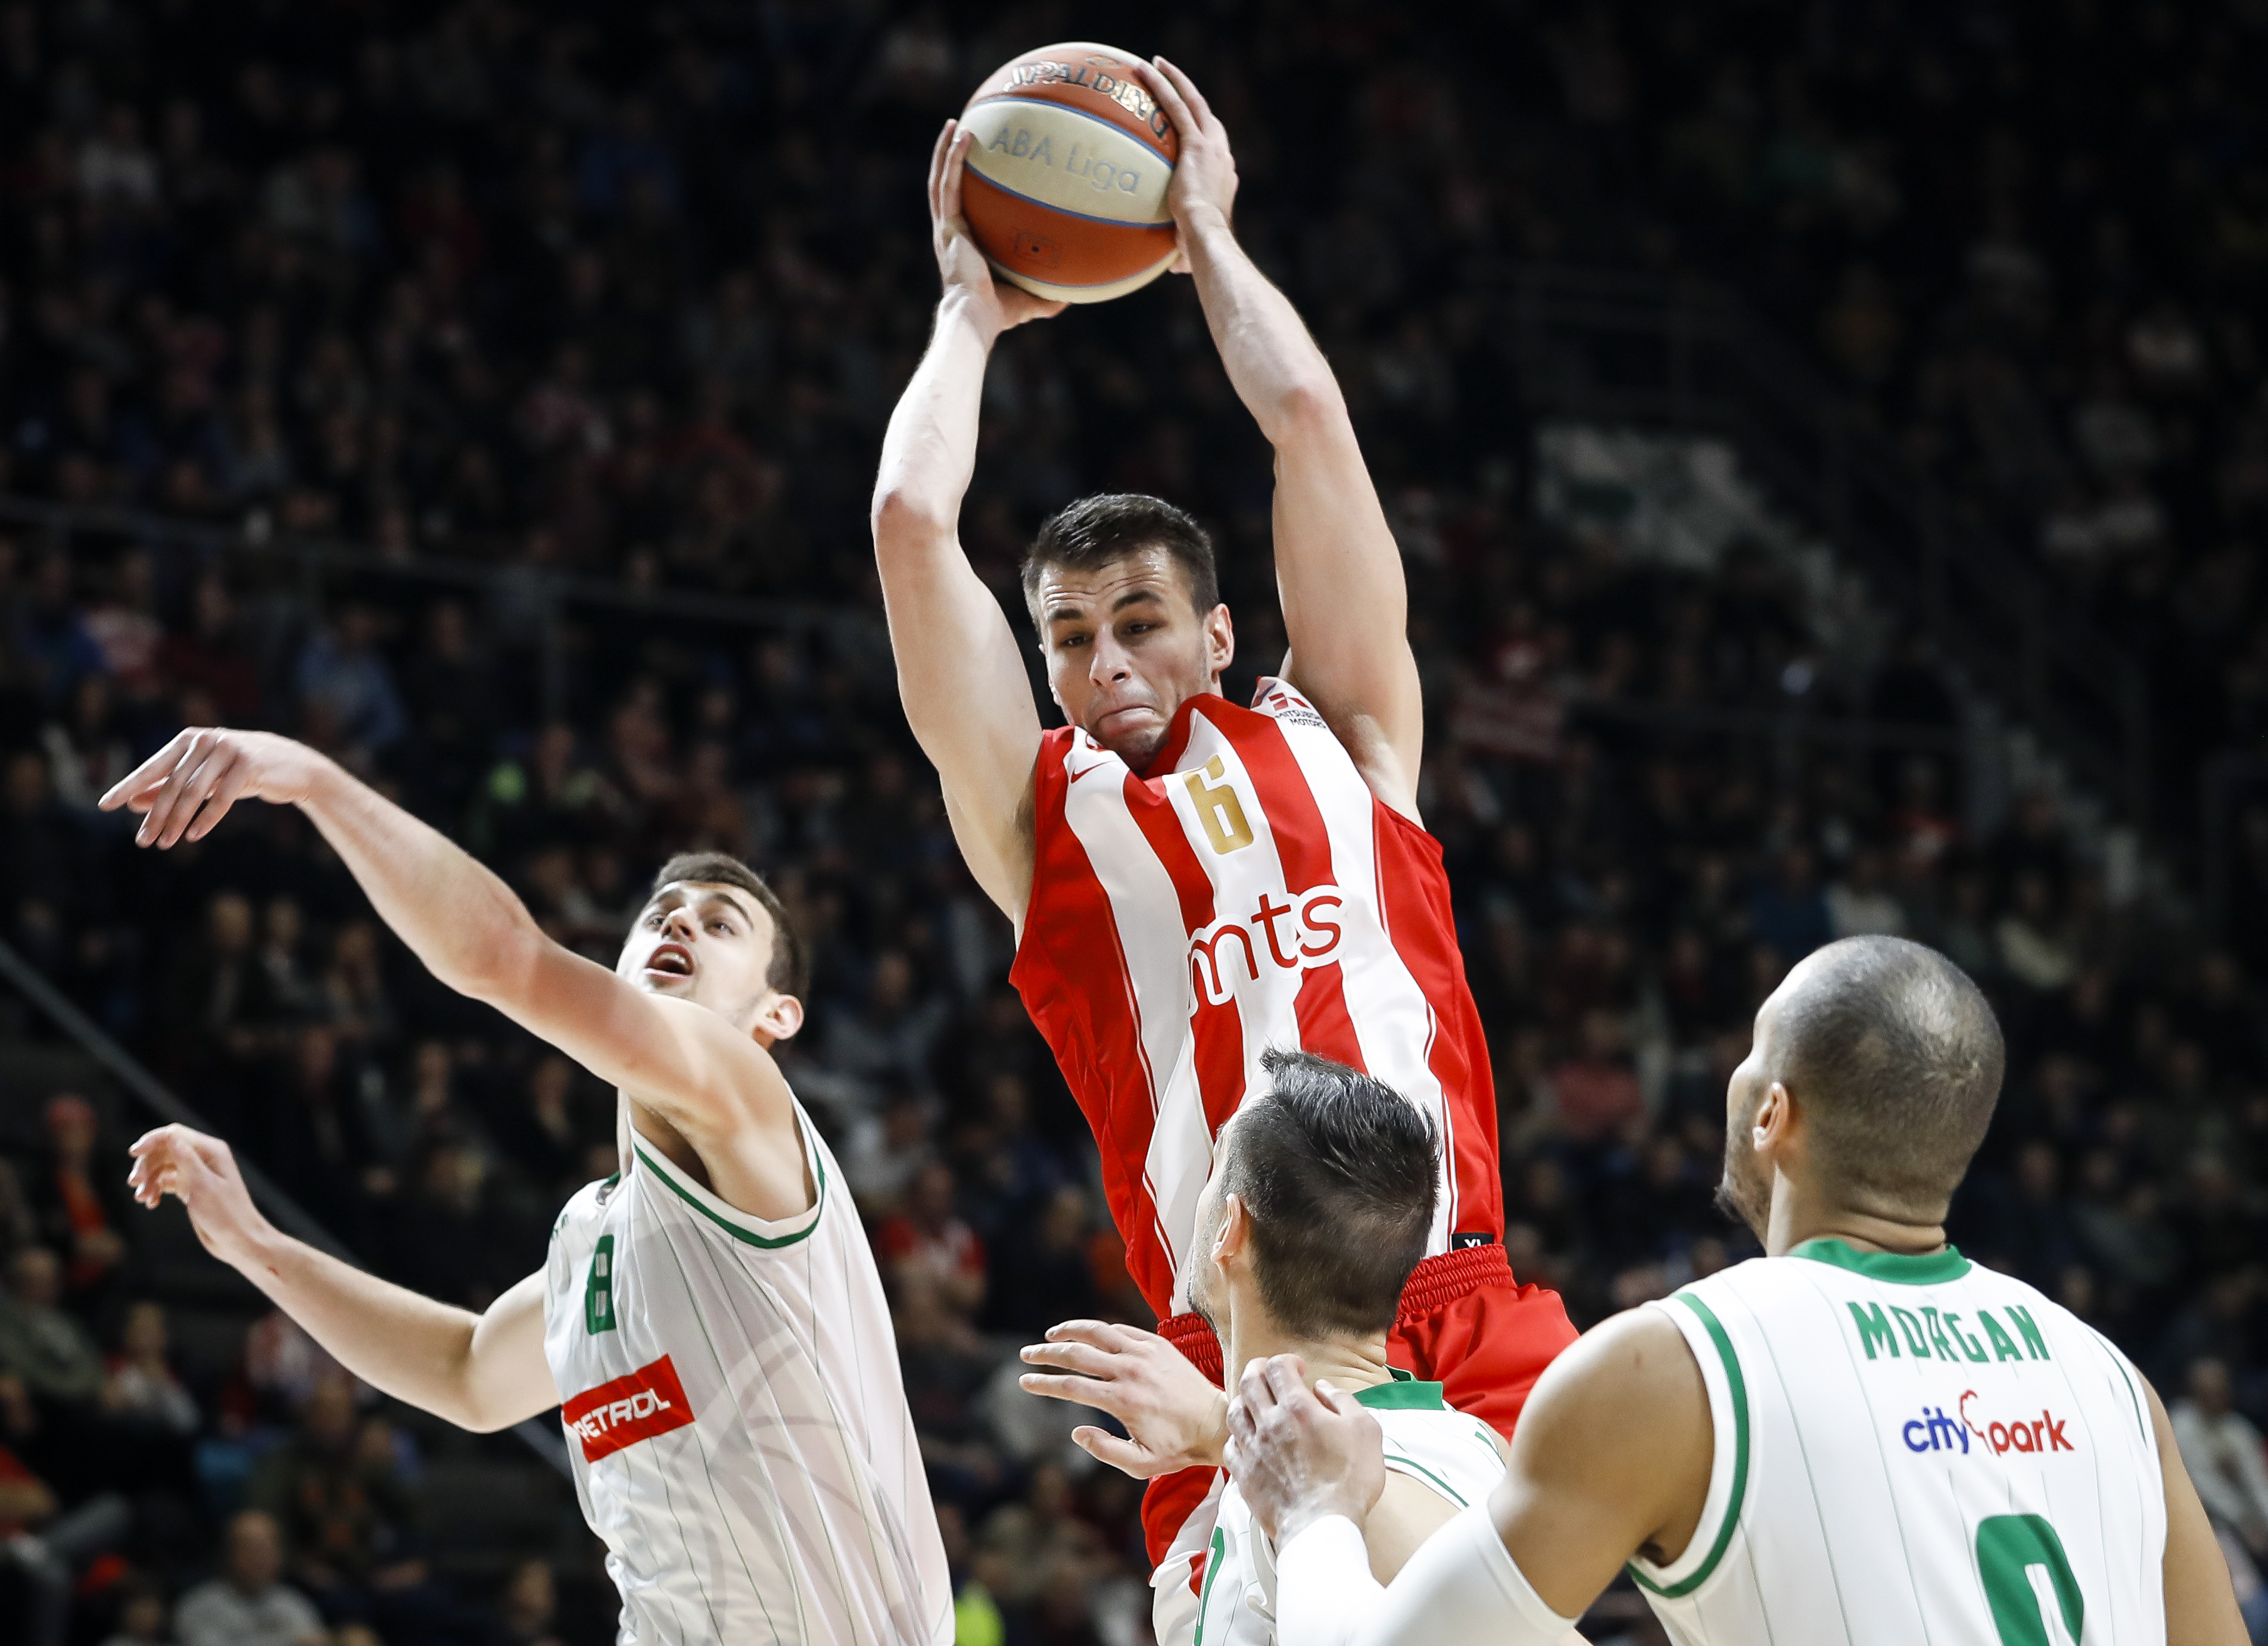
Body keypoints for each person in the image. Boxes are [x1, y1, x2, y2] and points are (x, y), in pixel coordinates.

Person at [868, 53, 1575, 1617]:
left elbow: (1311, 422)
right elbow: (914, 531)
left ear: (1216, 631)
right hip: (1228, 1343)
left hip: (1451, 1293)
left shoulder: (1346, 736)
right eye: (1067, 638)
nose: (1104, 664)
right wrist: (971, 315)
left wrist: (1208, 238)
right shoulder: (1042, 823)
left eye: (1138, 622)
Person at [104, 725, 952, 1646]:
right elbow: (463, 1371)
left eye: (720, 922)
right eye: (662, 912)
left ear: (775, 1016)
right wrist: (255, 1247)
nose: (678, 922)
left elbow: (504, 956)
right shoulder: (598, 1234)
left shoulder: (746, 1098)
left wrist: (313, 783)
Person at [1225, 936, 2247, 1646]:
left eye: (1748, 1054)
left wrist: (1315, 1507)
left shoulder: (1669, 1365)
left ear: (1771, 1113)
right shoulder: (2109, 1381)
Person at [1018, 1049, 1580, 1646]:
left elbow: (1504, 1627)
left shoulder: (1305, 1477)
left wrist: (1229, 1429)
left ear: (1230, 1229)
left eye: (1213, 1172)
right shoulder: (1473, 1444)